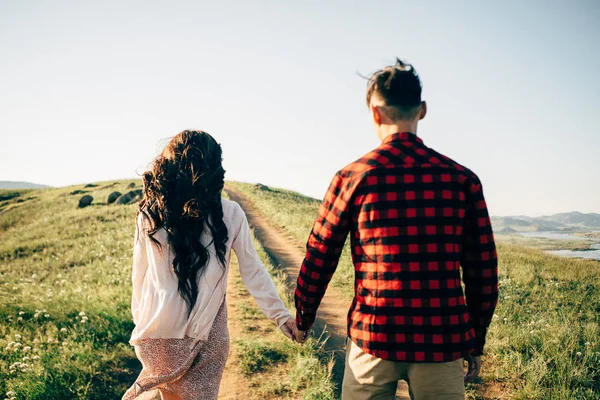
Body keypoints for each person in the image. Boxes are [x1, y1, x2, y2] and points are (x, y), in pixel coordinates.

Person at [293, 59, 499, 400]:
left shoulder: (353, 177)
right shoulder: (461, 179)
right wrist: (476, 338)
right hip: (443, 341)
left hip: (373, 339)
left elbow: (320, 253)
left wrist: (304, 315)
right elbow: (482, 270)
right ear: (422, 111)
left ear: (375, 113)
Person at [123, 130, 295, 400]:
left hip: (158, 331)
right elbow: (253, 270)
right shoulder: (231, 213)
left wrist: (141, 324)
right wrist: (280, 315)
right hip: (208, 334)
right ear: (215, 168)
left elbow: (139, 277)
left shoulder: (150, 213)